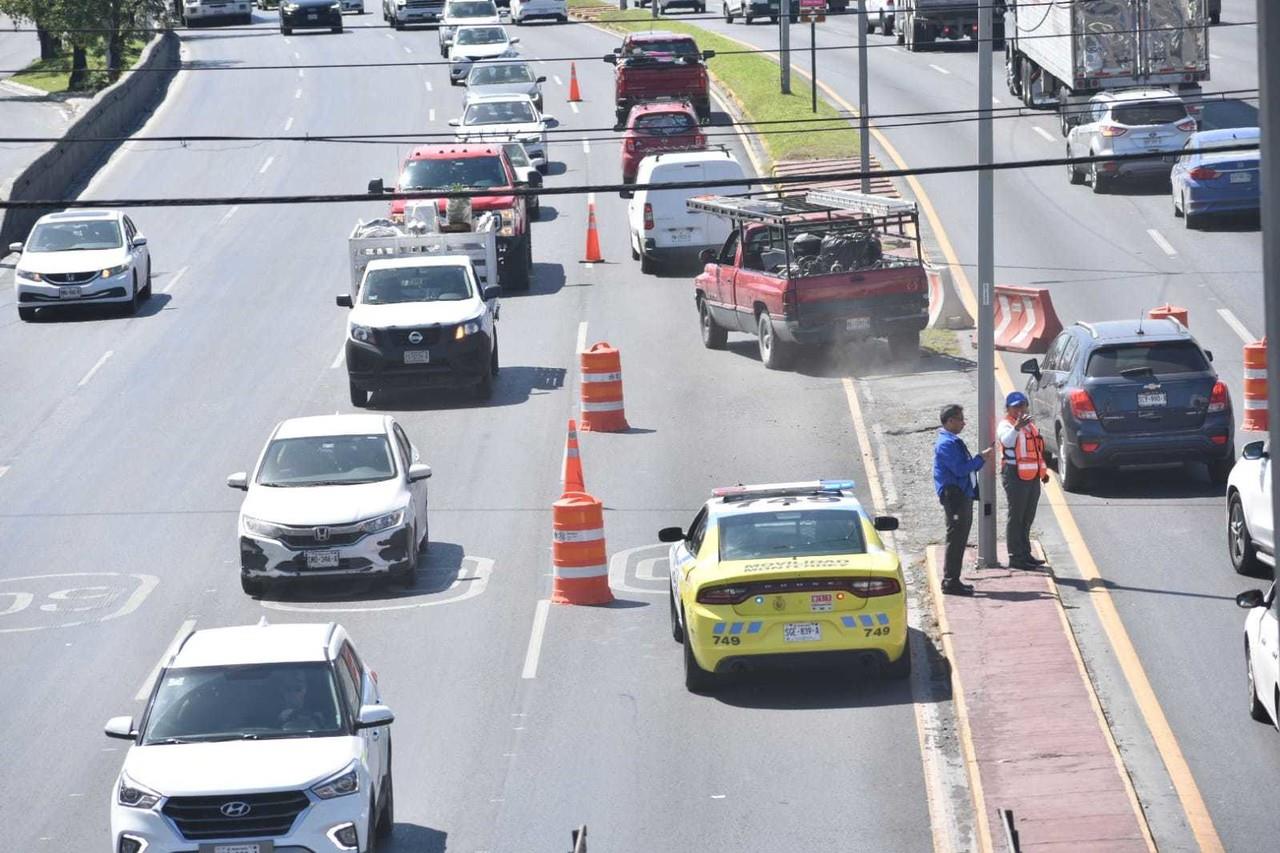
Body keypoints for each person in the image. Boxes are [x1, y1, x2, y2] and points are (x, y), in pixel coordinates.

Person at [933, 403, 996, 596]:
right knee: (956, 538)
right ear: (950, 421)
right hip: (955, 497)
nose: (963, 423)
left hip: (961, 494)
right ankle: (950, 582)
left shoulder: (952, 441)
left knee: (960, 538)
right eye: (960, 419)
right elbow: (960, 469)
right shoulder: (946, 444)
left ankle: (954, 580)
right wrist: (980, 459)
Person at [997, 391, 1050, 569]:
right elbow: (1007, 442)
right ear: (1009, 408)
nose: (1020, 409)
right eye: (1016, 406)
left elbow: (1036, 450)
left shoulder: (1029, 425)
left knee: (1027, 517)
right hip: (1014, 475)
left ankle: (1025, 554)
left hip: (1031, 476)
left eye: (1023, 405)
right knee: (1017, 517)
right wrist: (1017, 427)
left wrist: (1043, 473)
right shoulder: (1007, 425)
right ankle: (1016, 557)